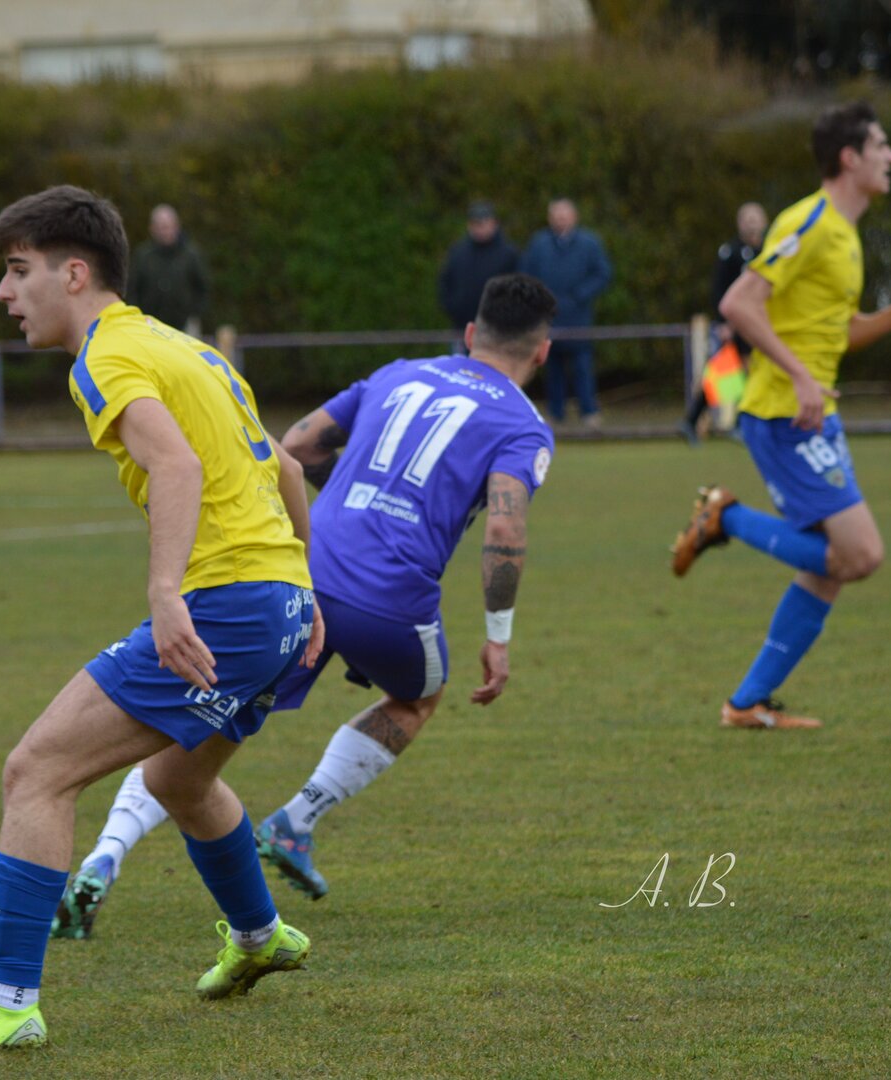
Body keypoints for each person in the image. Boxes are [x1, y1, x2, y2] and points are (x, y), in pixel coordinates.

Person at [0, 185, 321, 1053]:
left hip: (227, 602)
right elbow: (286, 467)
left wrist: (167, 595)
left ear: (75, 273)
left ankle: (8, 1003)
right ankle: (259, 937)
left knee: (36, 772)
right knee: (179, 781)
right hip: (275, 602)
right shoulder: (185, 348)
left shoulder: (105, 355)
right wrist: (304, 590)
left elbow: (176, 468)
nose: (5, 294)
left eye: (18, 272)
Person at [50, 273, 557, 937]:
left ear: (469, 334)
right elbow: (504, 529)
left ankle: (102, 858)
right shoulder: (524, 424)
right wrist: (499, 633)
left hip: (299, 575)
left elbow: (293, 445)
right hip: (391, 603)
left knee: (200, 721)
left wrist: (348, 493)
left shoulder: (398, 373)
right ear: (542, 353)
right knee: (418, 697)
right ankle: (296, 821)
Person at [671, 101, 891, 730]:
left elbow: (833, 332)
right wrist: (797, 377)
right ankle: (726, 518)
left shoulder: (845, 234)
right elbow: (739, 303)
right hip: (781, 414)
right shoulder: (813, 221)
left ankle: (746, 704)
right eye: (881, 145)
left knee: (832, 568)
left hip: (813, 412)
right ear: (850, 157)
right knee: (860, 555)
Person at [519, 197, 612, 430]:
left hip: (578, 318)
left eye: (564, 215)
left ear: (574, 217)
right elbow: (525, 274)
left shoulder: (590, 243)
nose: (560, 220)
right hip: (547, 319)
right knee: (552, 367)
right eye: (556, 215)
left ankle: (589, 413)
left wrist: (580, 295)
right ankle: (555, 414)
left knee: (582, 367)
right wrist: (539, 299)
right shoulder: (539, 243)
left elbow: (603, 274)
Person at [680, 202, 767, 445]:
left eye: (755, 218)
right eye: (746, 219)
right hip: (735, 324)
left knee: (746, 375)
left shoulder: (769, 251)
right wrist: (724, 322)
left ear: (764, 222)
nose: (751, 223)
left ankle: (737, 423)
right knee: (727, 375)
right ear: (739, 224)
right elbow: (719, 290)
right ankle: (696, 420)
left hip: (759, 323)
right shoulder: (730, 252)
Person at [437, 201, 521, 340]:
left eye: (483, 223)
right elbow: (445, 282)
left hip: (498, 328)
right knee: (462, 362)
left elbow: (518, 288)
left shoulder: (508, 254)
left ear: (494, 223)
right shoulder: (458, 252)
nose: (479, 228)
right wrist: (454, 308)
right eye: (475, 223)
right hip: (462, 326)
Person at [127, 204, 210, 336]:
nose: (164, 232)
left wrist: (194, 313)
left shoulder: (191, 255)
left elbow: (202, 286)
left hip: (184, 326)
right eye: (160, 227)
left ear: (176, 226)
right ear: (152, 229)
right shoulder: (143, 256)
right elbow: (132, 289)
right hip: (150, 326)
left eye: (167, 226)